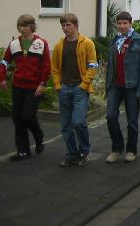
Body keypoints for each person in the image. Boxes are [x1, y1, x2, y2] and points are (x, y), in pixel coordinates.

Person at [0, 14, 50, 161]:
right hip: (18, 86)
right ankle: (23, 151)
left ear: (31, 27)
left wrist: (43, 84)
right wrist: (1, 77)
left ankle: (39, 136)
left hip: (34, 87)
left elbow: (46, 66)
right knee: (17, 119)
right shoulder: (14, 44)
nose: (22, 29)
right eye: (20, 26)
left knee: (27, 116)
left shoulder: (41, 43)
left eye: (25, 26)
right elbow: (5, 62)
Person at [51, 13, 98, 167]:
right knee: (65, 125)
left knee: (78, 122)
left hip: (80, 89)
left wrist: (84, 85)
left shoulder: (87, 43)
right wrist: (58, 85)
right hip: (64, 88)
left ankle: (85, 149)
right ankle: (72, 154)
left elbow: (93, 66)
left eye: (68, 25)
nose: (65, 28)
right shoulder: (59, 45)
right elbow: (55, 68)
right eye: (63, 25)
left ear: (76, 26)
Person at [105, 12, 140, 163]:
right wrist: (107, 85)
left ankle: (131, 150)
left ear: (130, 24)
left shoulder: (139, 40)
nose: (122, 26)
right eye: (119, 23)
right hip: (115, 85)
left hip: (131, 86)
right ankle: (117, 148)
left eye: (125, 23)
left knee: (132, 120)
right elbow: (110, 65)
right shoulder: (115, 40)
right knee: (110, 116)